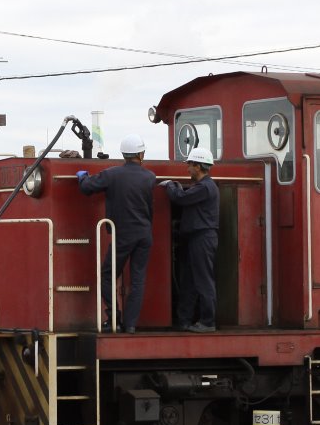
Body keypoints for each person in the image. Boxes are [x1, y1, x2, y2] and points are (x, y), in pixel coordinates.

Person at [77, 134, 156, 333]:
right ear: (140, 154)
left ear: (124, 154)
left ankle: (113, 318)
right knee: (138, 279)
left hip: (123, 235)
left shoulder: (112, 175)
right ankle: (130, 325)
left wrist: (82, 176)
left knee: (107, 274)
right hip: (144, 234)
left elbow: (86, 188)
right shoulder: (150, 177)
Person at [163, 146, 219, 332]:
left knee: (203, 280)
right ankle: (184, 320)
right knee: (189, 280)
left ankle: (208, 322)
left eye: (190, 165)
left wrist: (170, 184)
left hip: (202, 238)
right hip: (195, 238)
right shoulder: (203, 187)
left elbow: (180, 198)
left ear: (198, 166)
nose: (187, 169)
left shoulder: (205, 187)